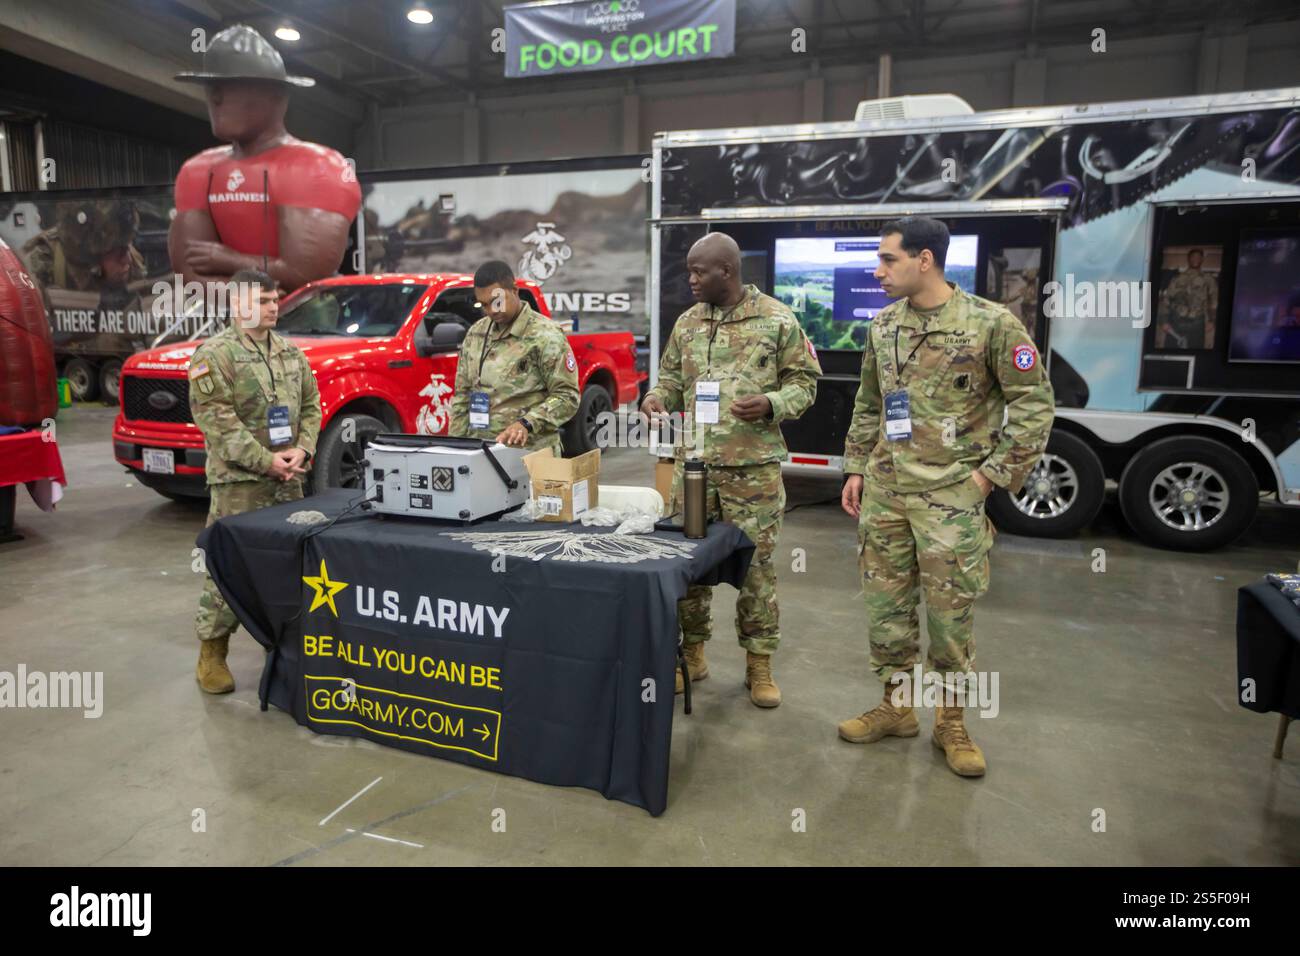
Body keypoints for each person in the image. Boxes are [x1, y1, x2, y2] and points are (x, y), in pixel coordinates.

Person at [839, 217, 1053, 776]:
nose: (878, 270)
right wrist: (857, 467)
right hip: (886, 492)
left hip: (949, 497)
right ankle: (897, 707)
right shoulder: (882, 325)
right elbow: (869, 401)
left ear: (925, 259)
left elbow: (1034, 405)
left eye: (888, 259)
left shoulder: (991, 325)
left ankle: (951, 723)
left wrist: (988, 478)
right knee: (887, 612)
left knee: (951, 619)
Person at [641, 232, 821, 708]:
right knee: (689, 566)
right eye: (689, 272)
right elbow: (670, 380)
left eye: (699, 272)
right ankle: (693, 655)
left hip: (752, 473)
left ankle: (758, 666)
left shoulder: (777, 320)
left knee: (756, 570)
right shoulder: (687, 322)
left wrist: (772, 402)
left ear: (728, 271)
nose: (691, 280)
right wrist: (656, 397)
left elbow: (806, 386)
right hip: (693, 468)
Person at [189, 268, 321, 693]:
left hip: (288, 480)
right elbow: (219, 425)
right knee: (228, 567)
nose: (273, 306)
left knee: (285, 565)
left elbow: (313, 406)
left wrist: (303, 449)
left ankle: (283, 649)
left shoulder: (289, 352)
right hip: (239, 484)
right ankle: (212, 652)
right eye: (263, 300)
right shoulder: (215, 355)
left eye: (274, 299)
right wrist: (266, 462)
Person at [169, 24, 360, 293]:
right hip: (231, 323)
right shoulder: (196, 171)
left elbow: (304, 274)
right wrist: (258, 291)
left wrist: (227, 259)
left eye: (233, 86)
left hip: (307, 327)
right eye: (212, 86)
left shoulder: (316, 167)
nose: (216, 97)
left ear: (277, 97)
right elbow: (191, 274)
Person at [448, 260, 579, 453]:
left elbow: (567, 397)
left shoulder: (545, 335)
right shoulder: (476, 333)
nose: (491, 310)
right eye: (483, 305)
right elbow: (462, 395)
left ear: (514, 291)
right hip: (483, 452)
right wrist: (456, 448)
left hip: (531, 453)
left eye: (497, 302)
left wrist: (527, 423)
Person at [1156, 248, 1218, 350]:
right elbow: (1167, 299)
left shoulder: (1209, 279)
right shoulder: (1177, 278)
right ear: (1188, 259)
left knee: (1195, 352)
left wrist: (1212, 321)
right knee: (1171, 351)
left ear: (1202, 259)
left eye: (1198, 257)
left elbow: (1214, 302)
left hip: (1197, 323)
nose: (1195, 259)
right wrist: (1163, 320)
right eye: (1193, 257)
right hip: (1176, 322)